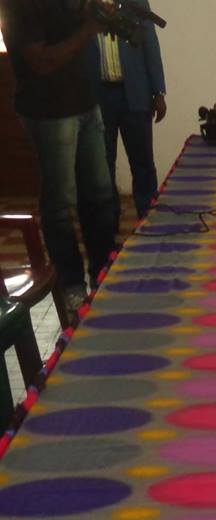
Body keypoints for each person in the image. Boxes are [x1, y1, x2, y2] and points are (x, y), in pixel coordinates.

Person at [0, 0, 117, 312]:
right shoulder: (17, 5)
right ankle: (71, 286)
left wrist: (92, 12)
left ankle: (104, 275)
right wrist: (91, 29)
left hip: (84, 103)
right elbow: (42, 61)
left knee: (102, 196)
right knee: (60, 204)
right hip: (49, 112)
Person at [87, 0, 166, 219]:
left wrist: (159, 92)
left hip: (135, 93)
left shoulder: (135, 3)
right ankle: (108, 220)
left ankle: (147, 216)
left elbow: (150, 44)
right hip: (98, 95)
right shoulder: (83, 6)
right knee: (103, 165)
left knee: (143, 162)